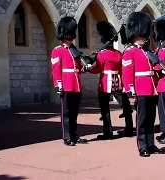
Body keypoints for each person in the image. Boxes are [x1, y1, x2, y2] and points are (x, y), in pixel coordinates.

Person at [122, 11, 165, 157]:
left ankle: (151, 144)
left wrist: (161, 71)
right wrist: (130, 92)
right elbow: (127, 74)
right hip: (140, 89)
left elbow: (153, 68)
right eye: (140, 35)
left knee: (151, 119)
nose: (143, 38)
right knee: (141, 120)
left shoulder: (147, 51)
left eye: (144, 35)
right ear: (134, 35)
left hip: (152, 88)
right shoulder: (130, 52)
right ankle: (142, 146)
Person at [88, 21, 134, 140]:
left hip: (104, 83)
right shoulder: (118, 54)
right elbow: (121, 70)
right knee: (125, 105)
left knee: (105, 109)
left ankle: (108, 132)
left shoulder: (102, 54)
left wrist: (88, 68)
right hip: (117, 82)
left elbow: (98, 69)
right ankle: (129, 127)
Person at [51, 16, 88, 146]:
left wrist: (87, 67)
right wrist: (58, 85)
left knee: (74, 113)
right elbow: (56, 70)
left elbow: (78, 69)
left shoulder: (75, 51)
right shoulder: (58, 51)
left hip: (76, 84)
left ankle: (75, 135)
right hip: (66, 85)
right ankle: (67, 136)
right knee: (66, 113)